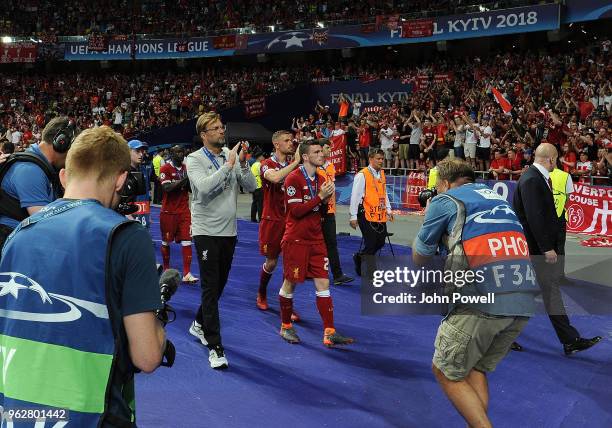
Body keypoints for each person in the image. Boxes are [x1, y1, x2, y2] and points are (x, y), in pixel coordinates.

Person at [0, 126, 170, 426]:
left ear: (64, 176)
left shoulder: (18, 234)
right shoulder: (127, 236)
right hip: (89, 414)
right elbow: (147, 356)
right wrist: (158, 311)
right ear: (120, 179)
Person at [413, 159, 538, 428]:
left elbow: (420, 257)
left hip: (480, 300)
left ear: (445, 183)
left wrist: (429, 218)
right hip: (523, 299)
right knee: (474, 368)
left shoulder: (445, 201)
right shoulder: (498, 199)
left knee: (445, 371)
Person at [513, 143, 602, 355]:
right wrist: (547, 248)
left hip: (535, 248)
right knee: (534, 292)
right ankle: (498, 336)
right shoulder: (533, 179)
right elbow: (535, 218)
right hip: (535, 250)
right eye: (557, 159)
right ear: (551, 159)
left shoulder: (534, 177)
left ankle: (570, 339)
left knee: (544, 292)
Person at [186, 112, 257, 369]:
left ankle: (199, 322)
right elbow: (203, 188)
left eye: (221, 127)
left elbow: (250, 186)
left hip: (229, 232)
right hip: (205, 230)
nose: (220, 131)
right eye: (215, 128)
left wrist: (243, 163)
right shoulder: (193, 159)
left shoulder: (230, 155)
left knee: (218, 286)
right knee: (209, 285)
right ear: (204, 135)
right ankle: (215, 347)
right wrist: (228, 166)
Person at [278, 140, 354, 347]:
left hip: (316, 240)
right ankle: (285, 326)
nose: (323, 154)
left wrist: (321, 199)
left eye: (323, 151)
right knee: (290, 283)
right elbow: (295, 212)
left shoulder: (321, 179)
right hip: (296, 240)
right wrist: (320, 197)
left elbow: (319, 210)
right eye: (317, 152)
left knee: (324, 283)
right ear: (305, 157)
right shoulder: (293, 178)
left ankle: (329, 331)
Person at [0, 117, 75, 251]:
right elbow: (47, 225)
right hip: (11, 245)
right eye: (72, 149)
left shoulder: (42, 168)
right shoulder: (30, 171)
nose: (71, 156)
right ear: (60, 143)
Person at [256, 131, 300, 314]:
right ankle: (262, 292)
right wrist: (297, 163)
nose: (291, 143)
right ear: (276, 145)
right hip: (272, 221)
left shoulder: (293, 166)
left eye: (292, 140)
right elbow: (275, 178)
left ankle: (287, 305)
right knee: (272, 262)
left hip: (291, 222)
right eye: (287, 141)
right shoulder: (266, 164)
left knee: (291, 264)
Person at [349, 149, 393, 275]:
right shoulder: (362, 175)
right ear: (370, 159)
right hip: (365, 213)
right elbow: (355, 196)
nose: (381, 161)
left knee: (380, 241)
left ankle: (360, 257)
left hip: (379, 212)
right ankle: (371, 272)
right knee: (371, 242)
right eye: (378, 158)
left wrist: (388, 209)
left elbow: (384, 193)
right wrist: (353, 216)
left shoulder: (382, 174)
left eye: (382, 159)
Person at [159, 145, 198, 283]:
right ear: (171, 153)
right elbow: (167, 187)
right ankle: (166, 269)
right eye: (177, 152)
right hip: (168, 212)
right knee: (166, 241)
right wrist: (184, 180)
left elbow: (191, 189)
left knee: (187, 240)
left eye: (182, 152)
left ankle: (187, 273)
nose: (180, 154)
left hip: (184, 212)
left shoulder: (186, 169)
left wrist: (191, 182)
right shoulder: (165, 169)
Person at [318, 140, 353, 285]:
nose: (330, 150)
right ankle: (307, 270)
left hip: (330, 211)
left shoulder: (331, 166)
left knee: (331, 243)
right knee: (313, 243)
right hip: (316, 210)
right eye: (327, 148)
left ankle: (337, 275)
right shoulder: (313, 167)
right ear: (319, 149)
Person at [127, 139, 153, 229]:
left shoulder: (144, 170)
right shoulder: (122, 171)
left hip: (143, 214)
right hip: (129, 217)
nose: (141, 154)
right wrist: (128, 217)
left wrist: (148, 214)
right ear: (128, 151)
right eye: (137, 151)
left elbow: (146, 193)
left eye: (142, 151)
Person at [250, 149, 265, 222]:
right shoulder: (259, 165)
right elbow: (261, 174)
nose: (263, 157)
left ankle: (253, 218)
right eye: (262, 156)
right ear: (259, 157)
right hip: (259, 186)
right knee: (260, 204)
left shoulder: (253, 165)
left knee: (254, 203)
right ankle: (260, 218)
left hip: (254, 186)